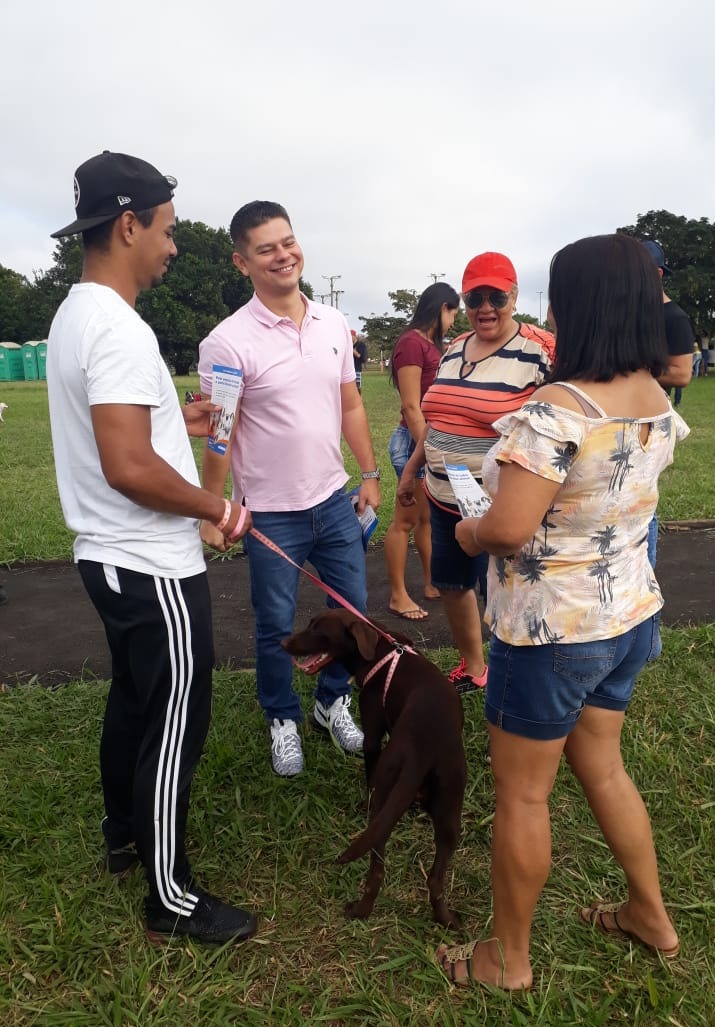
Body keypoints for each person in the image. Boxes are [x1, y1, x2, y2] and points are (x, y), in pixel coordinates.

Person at [437, 233, 688, 989]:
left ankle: (506, 959)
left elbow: (508, 529)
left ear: (576, 306)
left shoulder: (558, 407)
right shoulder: (652, 394)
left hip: (549, 632)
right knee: (604, 769)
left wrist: (466, 528)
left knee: (522, 792)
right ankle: (651, 913)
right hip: (627, 619)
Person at [46, 151, 257, 946]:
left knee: (134, 700)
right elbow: (129, 465)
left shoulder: (78, 314)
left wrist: (181, 418)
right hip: (150, 561)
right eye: (166, 230)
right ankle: (170, 896)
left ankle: (123, 835)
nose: (173, 247)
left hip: (105, 555)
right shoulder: (120, 327)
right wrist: (218, 507)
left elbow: (127, 429)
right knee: (176, 720)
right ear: (129, 224)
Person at [198, 201, 381, 777]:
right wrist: (214, 509)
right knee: (277, 624)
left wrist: (371, 474)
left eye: (288, 241)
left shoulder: (332, 324)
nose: (283, 255)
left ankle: (332, 703)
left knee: (352, 613)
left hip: (333, 499)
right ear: (241, 262)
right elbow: (220, 433)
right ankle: (283, 718)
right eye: (266, 248)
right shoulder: (227, 342)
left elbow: (349, 403)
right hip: (271, 514)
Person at [397, 253, 555, 693]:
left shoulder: (540, 351)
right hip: (442, 495)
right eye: (474, 297)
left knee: (509, 591)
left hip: (500, 503)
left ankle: (519, 674)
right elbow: (437, 421)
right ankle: (475, 667)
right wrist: (411, 471)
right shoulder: (455, 347)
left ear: (515, 296)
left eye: (496, 296)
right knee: (451, 584)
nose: (485, 307)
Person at [384, 282, 459, 620]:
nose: (454, 320)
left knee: (426, 520)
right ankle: (398, 595)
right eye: (452, 311)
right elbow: (412, 407)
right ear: (440, 308)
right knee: (405, 521)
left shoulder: (430, 345)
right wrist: (426, 452)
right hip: (413, 442)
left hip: (426, 443)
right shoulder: (411, 344)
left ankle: (431, 583)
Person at [641, 241, 694, 565]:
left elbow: (681, 373)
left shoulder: (673, 317)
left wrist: (632, 370)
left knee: (642, 497)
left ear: (657, 274)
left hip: (649, 417)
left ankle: (644, 575)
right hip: (622, 415)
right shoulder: (629, 314)